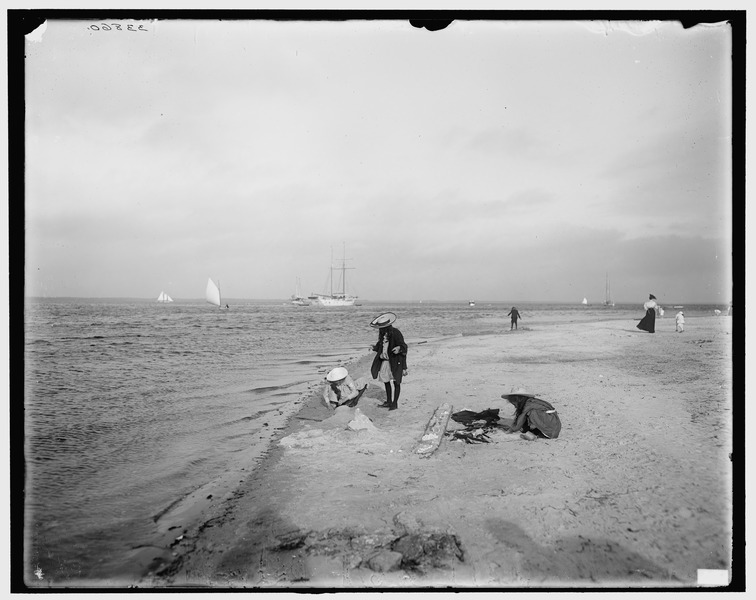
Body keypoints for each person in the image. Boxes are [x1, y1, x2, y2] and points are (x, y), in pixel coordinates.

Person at [369, 312, 408, 411]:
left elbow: (404, 346)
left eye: (382, 328)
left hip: (396, 361)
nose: (380, 330)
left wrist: (399, 348)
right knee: (386, 381)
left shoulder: (396, 333)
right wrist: (374, 348)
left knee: (396, 383)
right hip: (385, 361)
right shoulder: (383, 335)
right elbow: (380, 347)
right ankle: (389, 401)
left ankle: (394, 404)